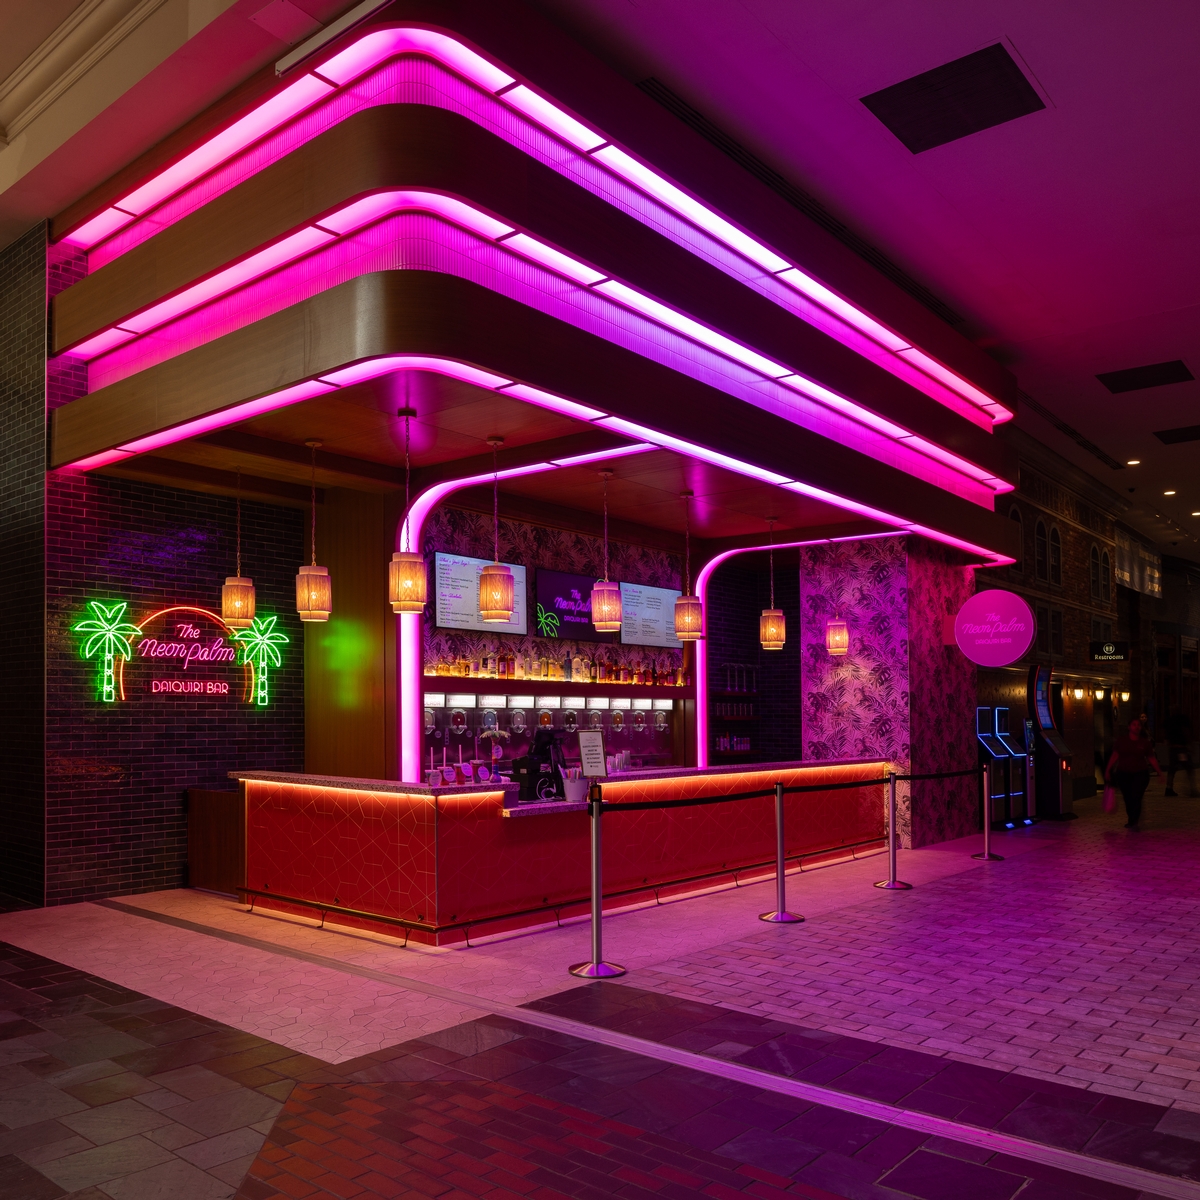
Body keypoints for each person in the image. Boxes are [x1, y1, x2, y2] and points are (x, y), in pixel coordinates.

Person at [1105, 718, 1164, 829]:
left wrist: (1159, 772)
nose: (1136, 727)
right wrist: (1108, 769)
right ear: (1129, 727)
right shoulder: (1121, 741)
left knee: (1136, 796)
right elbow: (1115, 755)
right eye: (1134, 725)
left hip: (1140, 774)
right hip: (1123, 774)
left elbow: (1151, 758)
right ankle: (1131, 819)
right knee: (1127, 798)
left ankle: (1135, 821)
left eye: (1138, 725)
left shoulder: (1144, 743)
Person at [1163, 709, 1195, 797]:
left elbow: (1165, 734)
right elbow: (1186, 732)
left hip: (1173, 748)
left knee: (1172, 770)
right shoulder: (1182, 720)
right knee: (1189, 768)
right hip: (1181, 749)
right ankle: (1192, 789)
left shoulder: (1169, 721)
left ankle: (1168, 788)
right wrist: (1190, 745)